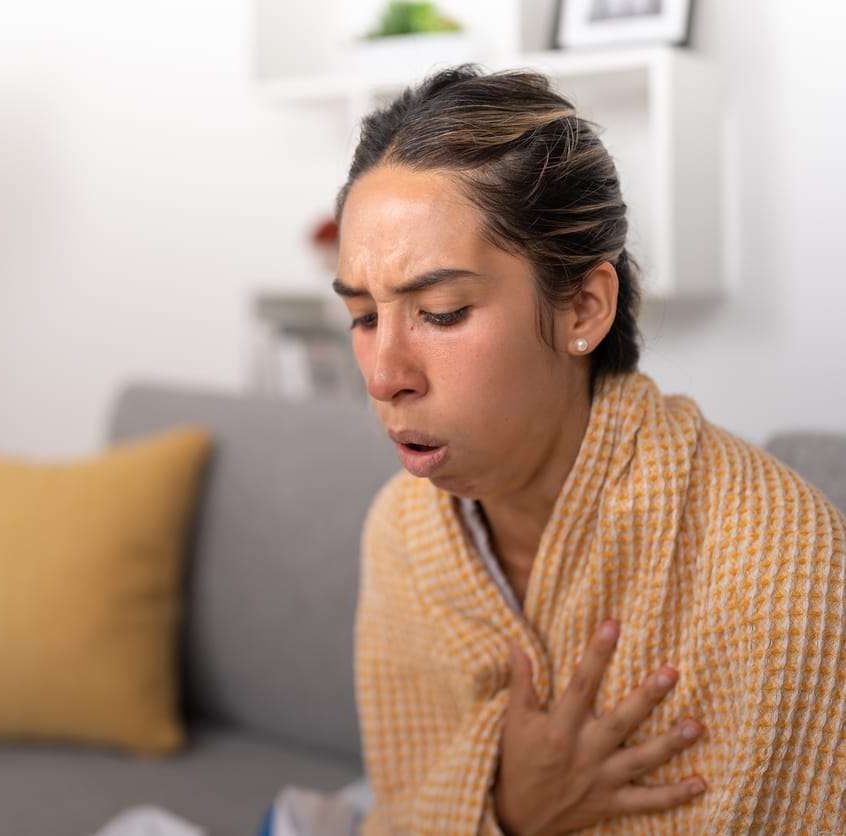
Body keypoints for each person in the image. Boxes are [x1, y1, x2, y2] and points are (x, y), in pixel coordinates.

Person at [332, 65, 846, 834]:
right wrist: (510, 808)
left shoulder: (784, 566)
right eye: (365, 316)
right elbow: (403, 807)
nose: (383, 375)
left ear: (583, 306)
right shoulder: (402, 533)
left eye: (439, 312)